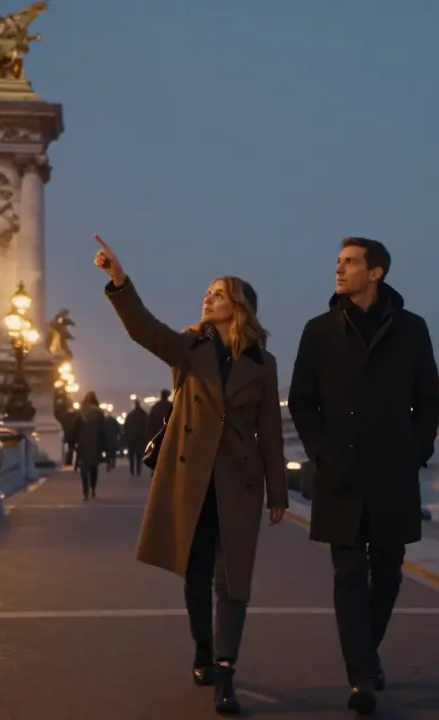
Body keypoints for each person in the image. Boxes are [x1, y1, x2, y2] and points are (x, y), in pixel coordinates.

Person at [94, 233, 288, 715]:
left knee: (233, 580)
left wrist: (278, 490)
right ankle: (202, 648)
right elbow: (144, 329)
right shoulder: (189, 347)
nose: (208, 297)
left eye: (219, 293)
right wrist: (120, 281)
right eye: (207, 292)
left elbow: (271, 432)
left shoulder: (264, 365)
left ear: (239, 306)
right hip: (192, 479)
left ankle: (225, 672)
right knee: (196, 574)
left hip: (240, 483)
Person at [287, 237, 439, 715]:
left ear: (376, 272)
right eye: (338, 262)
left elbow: (428, 400)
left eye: (350, 263)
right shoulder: (319, 331)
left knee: (389, 573)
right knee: (349, 573)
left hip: (393, 474)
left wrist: (415, 452)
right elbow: (301, 401)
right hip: (341, 473)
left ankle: (365, 655)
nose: (339, 269)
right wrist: (321, 453)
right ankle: (361, 676)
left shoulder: (412, 330)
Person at [74, 392, 110, 500]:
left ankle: (85, 491)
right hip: (95, 443)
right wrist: (104, 445)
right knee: (93, 468)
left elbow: (75, 428)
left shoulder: (81, 412)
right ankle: (93, 488)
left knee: (84, 468)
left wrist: (73, 441)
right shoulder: (99, 412)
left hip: (83, 443)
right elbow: (103, 430)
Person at [123, 399, 149, 476]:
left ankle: (132, 471)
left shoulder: (130, 415)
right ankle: (138, 471)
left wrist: (126, 438)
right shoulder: (144, 414)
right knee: (139, 456)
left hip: (132, 440)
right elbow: (147, 427)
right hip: (140, 440)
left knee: (132, 457)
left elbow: (126, 427)